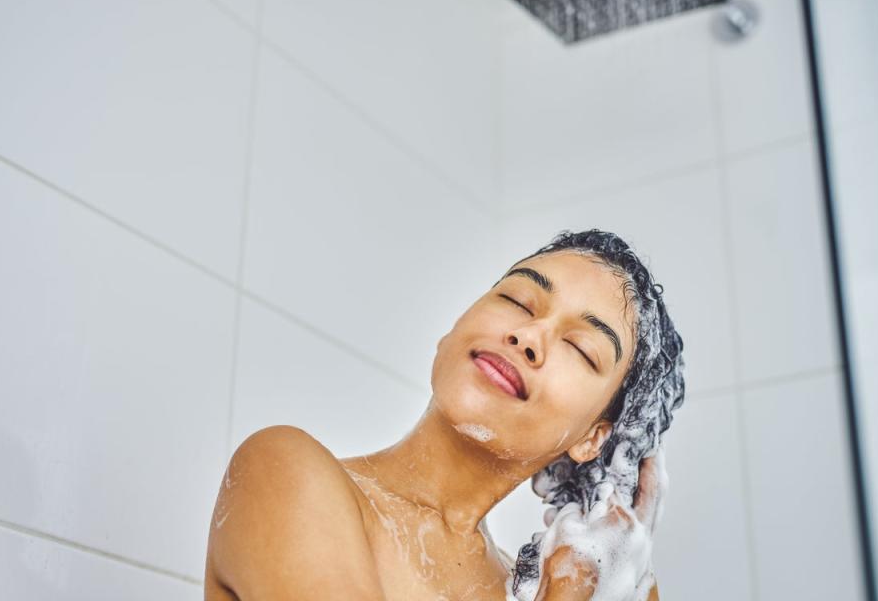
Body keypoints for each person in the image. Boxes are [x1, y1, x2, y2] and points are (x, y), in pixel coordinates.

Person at [204, 229, 685, 600]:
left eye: (581, 347)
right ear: (455, 330)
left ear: (592, 438)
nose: (529, 336)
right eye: (517, 300)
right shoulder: (285, 473)